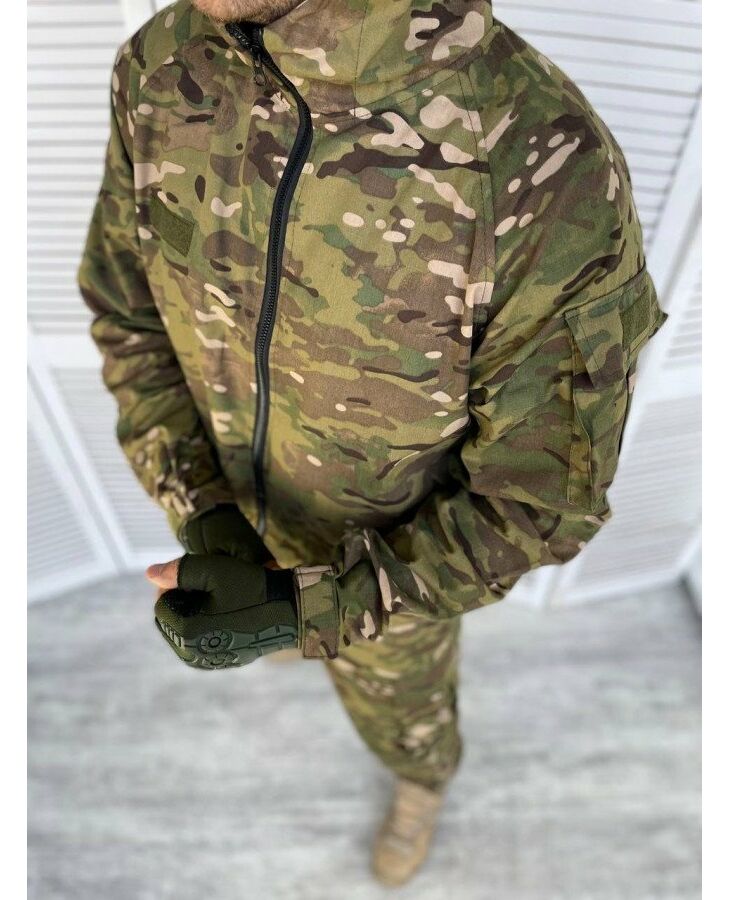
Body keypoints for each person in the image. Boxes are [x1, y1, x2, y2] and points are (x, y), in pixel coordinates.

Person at [77, 0, 668, 885]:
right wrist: (200, 509)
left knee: (405, 712)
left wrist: (315, 611)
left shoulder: (540, 164)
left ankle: (423, 777)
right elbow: (129, 315)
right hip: (235, 508)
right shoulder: (160, 65)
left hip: (395, 571)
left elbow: (538, 502)